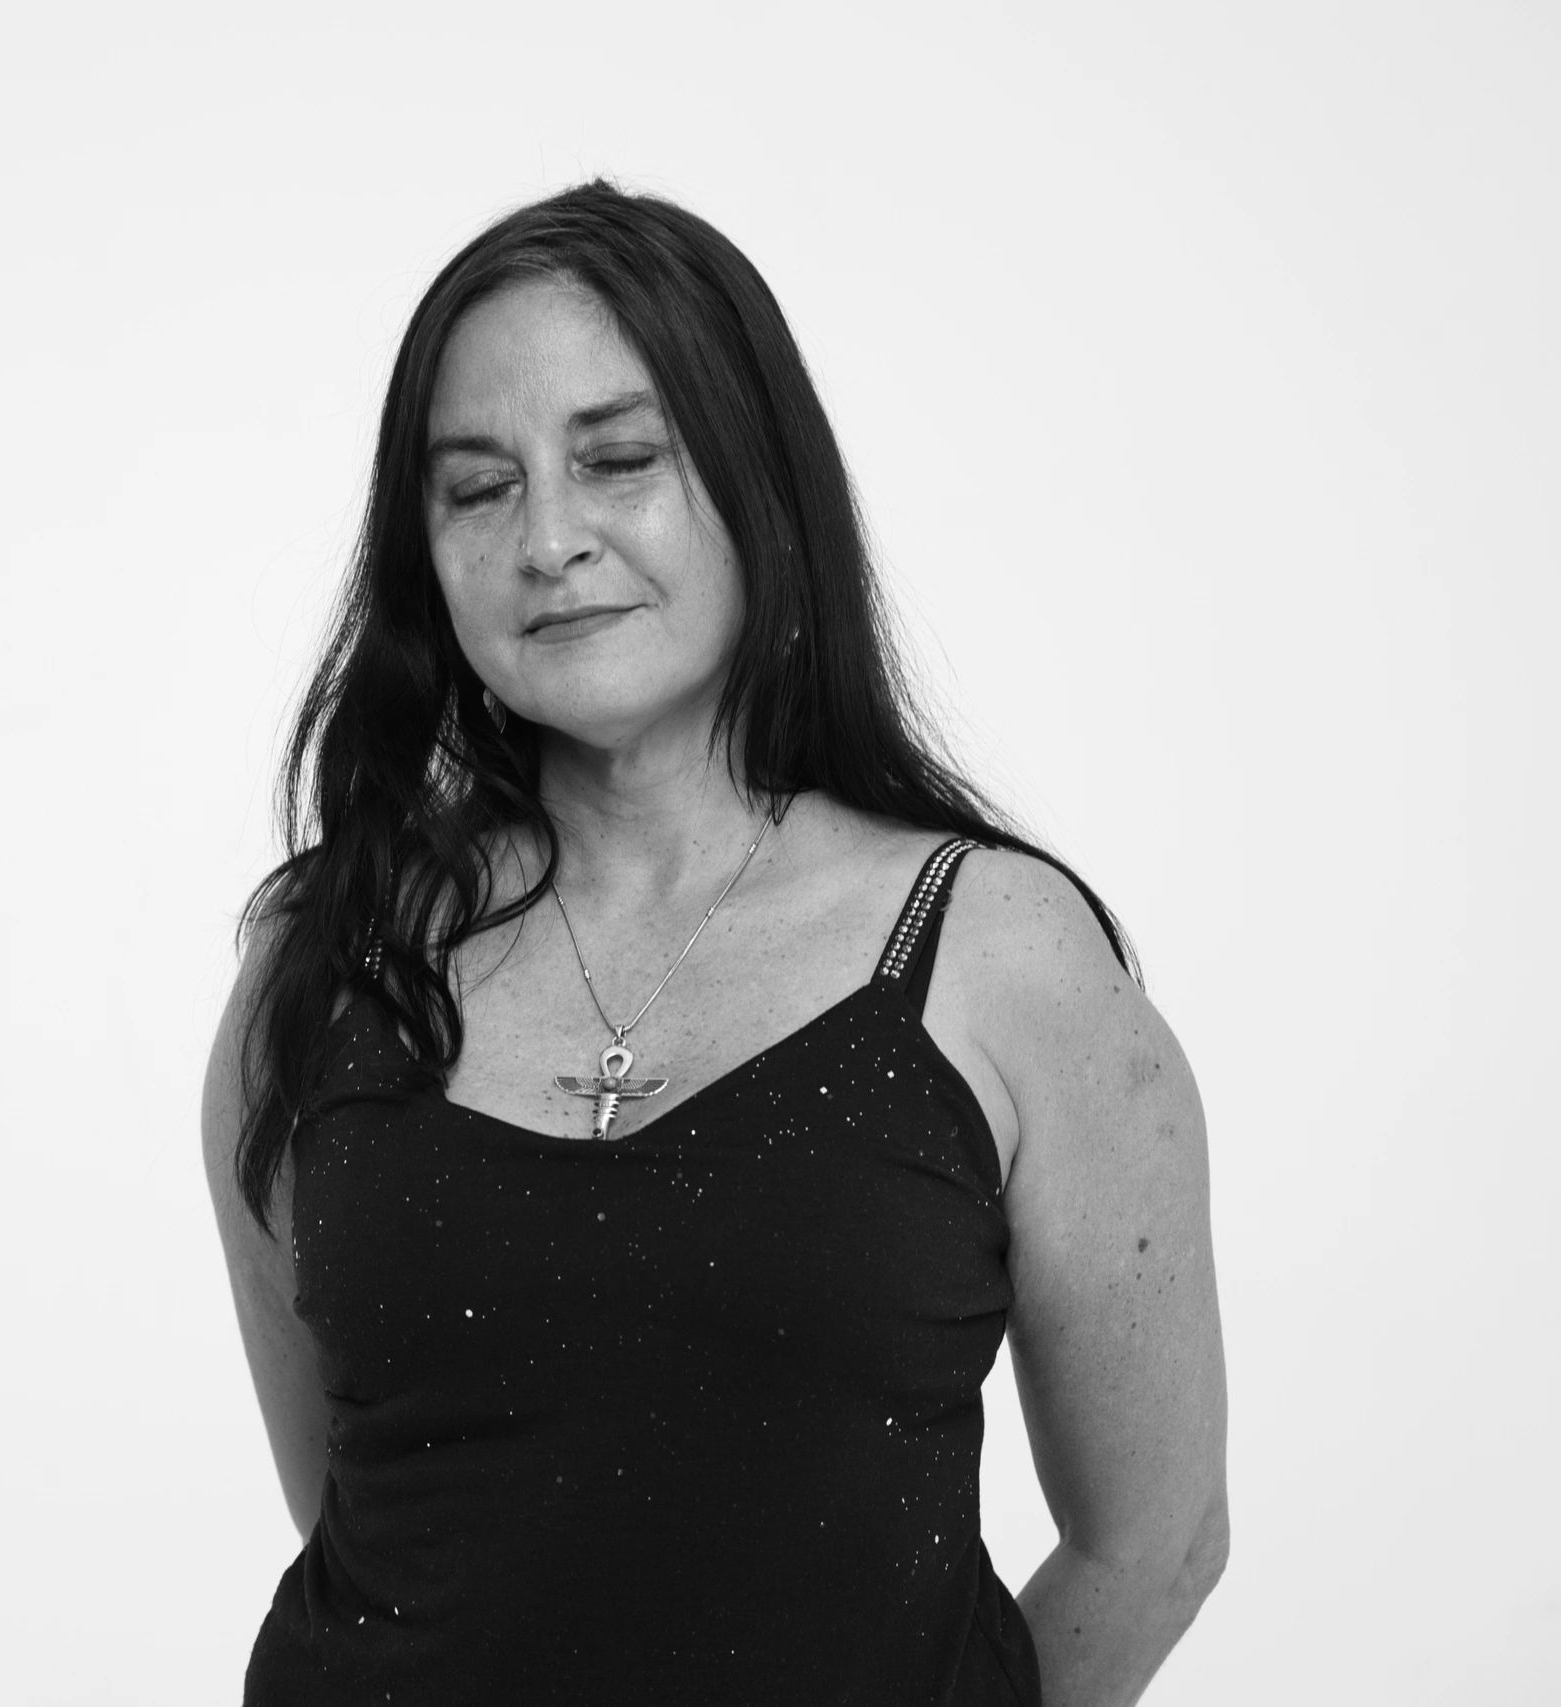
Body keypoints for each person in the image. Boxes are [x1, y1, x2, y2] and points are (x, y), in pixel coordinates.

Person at [202, 179, 1227, 1706]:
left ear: (759, 481)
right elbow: (372, 1520)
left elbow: (1156, 1543)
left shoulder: (999, 959)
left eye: (618, 460)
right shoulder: (323, 956)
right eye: (477, 488)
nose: (550, 539)